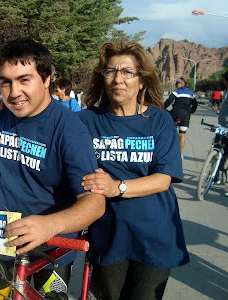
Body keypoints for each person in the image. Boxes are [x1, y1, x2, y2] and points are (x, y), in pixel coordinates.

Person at [0, 37, 105, 289]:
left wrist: (50, 224)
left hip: (52, 249)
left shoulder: (69, 130)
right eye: (5, 82)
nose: (14, 92)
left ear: (46, 79)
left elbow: (95, 203)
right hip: (3, 240)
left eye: (24, 79)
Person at [79, 38, 189, 300]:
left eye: (127, 72)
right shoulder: (86, 120)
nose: (118, 79)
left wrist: (117, 187)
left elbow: (163, 179)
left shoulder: (159, 120)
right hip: (108, 235)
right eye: (111, 71)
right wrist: (2, 106)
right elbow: (45, 120)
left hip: (155, 237)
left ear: (142, 81)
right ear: (103, 78)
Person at [164, 77, 198, 156]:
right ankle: (180, 154)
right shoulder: (190, 93)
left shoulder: (177, 91)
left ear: (180, 84)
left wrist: (163, 108)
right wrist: (191, 111)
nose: (176, 86)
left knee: (170, 132)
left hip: (176, 113)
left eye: (177, 84)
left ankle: (168, 151)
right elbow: (195, 104)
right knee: (182, 135)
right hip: (186, 115)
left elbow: (169, 101)